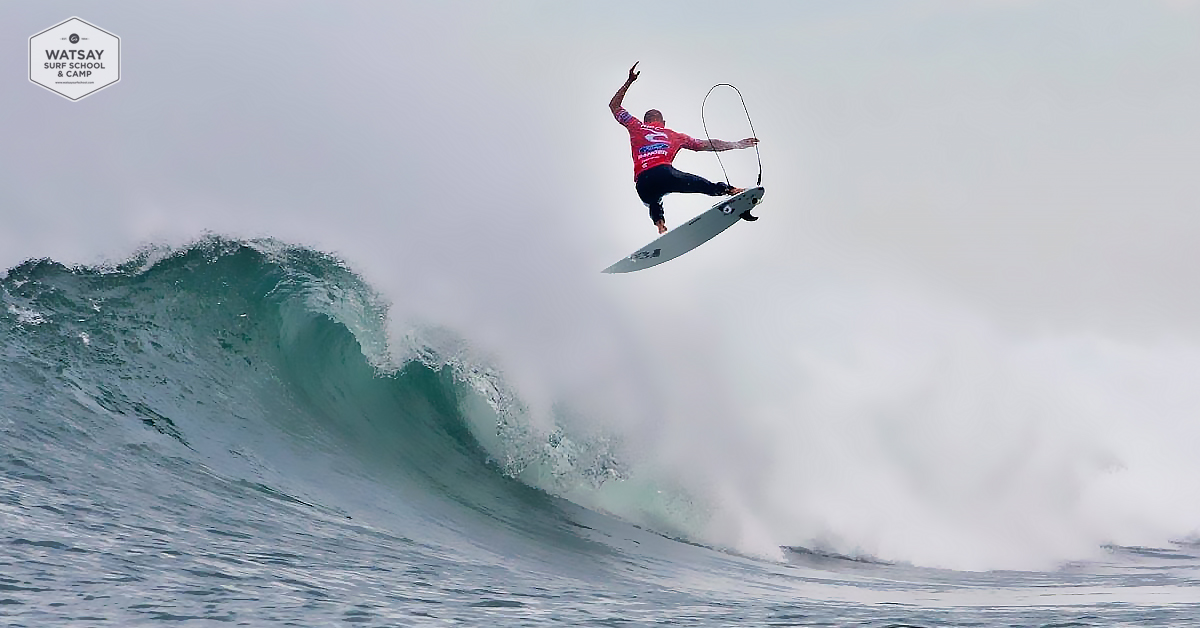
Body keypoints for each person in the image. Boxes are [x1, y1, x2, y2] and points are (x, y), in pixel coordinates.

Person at [610, 62, 759, 234]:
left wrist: (629, 81)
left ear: (645, 121)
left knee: (653, 201)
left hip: (643, 184)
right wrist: (737, 144)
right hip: (665, 174)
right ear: (663, 123)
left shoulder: (636, 127)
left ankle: (659, 223)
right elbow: (707, 145)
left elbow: (614, 106)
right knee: (701, 185)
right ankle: (730, 189)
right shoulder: (674, 135)